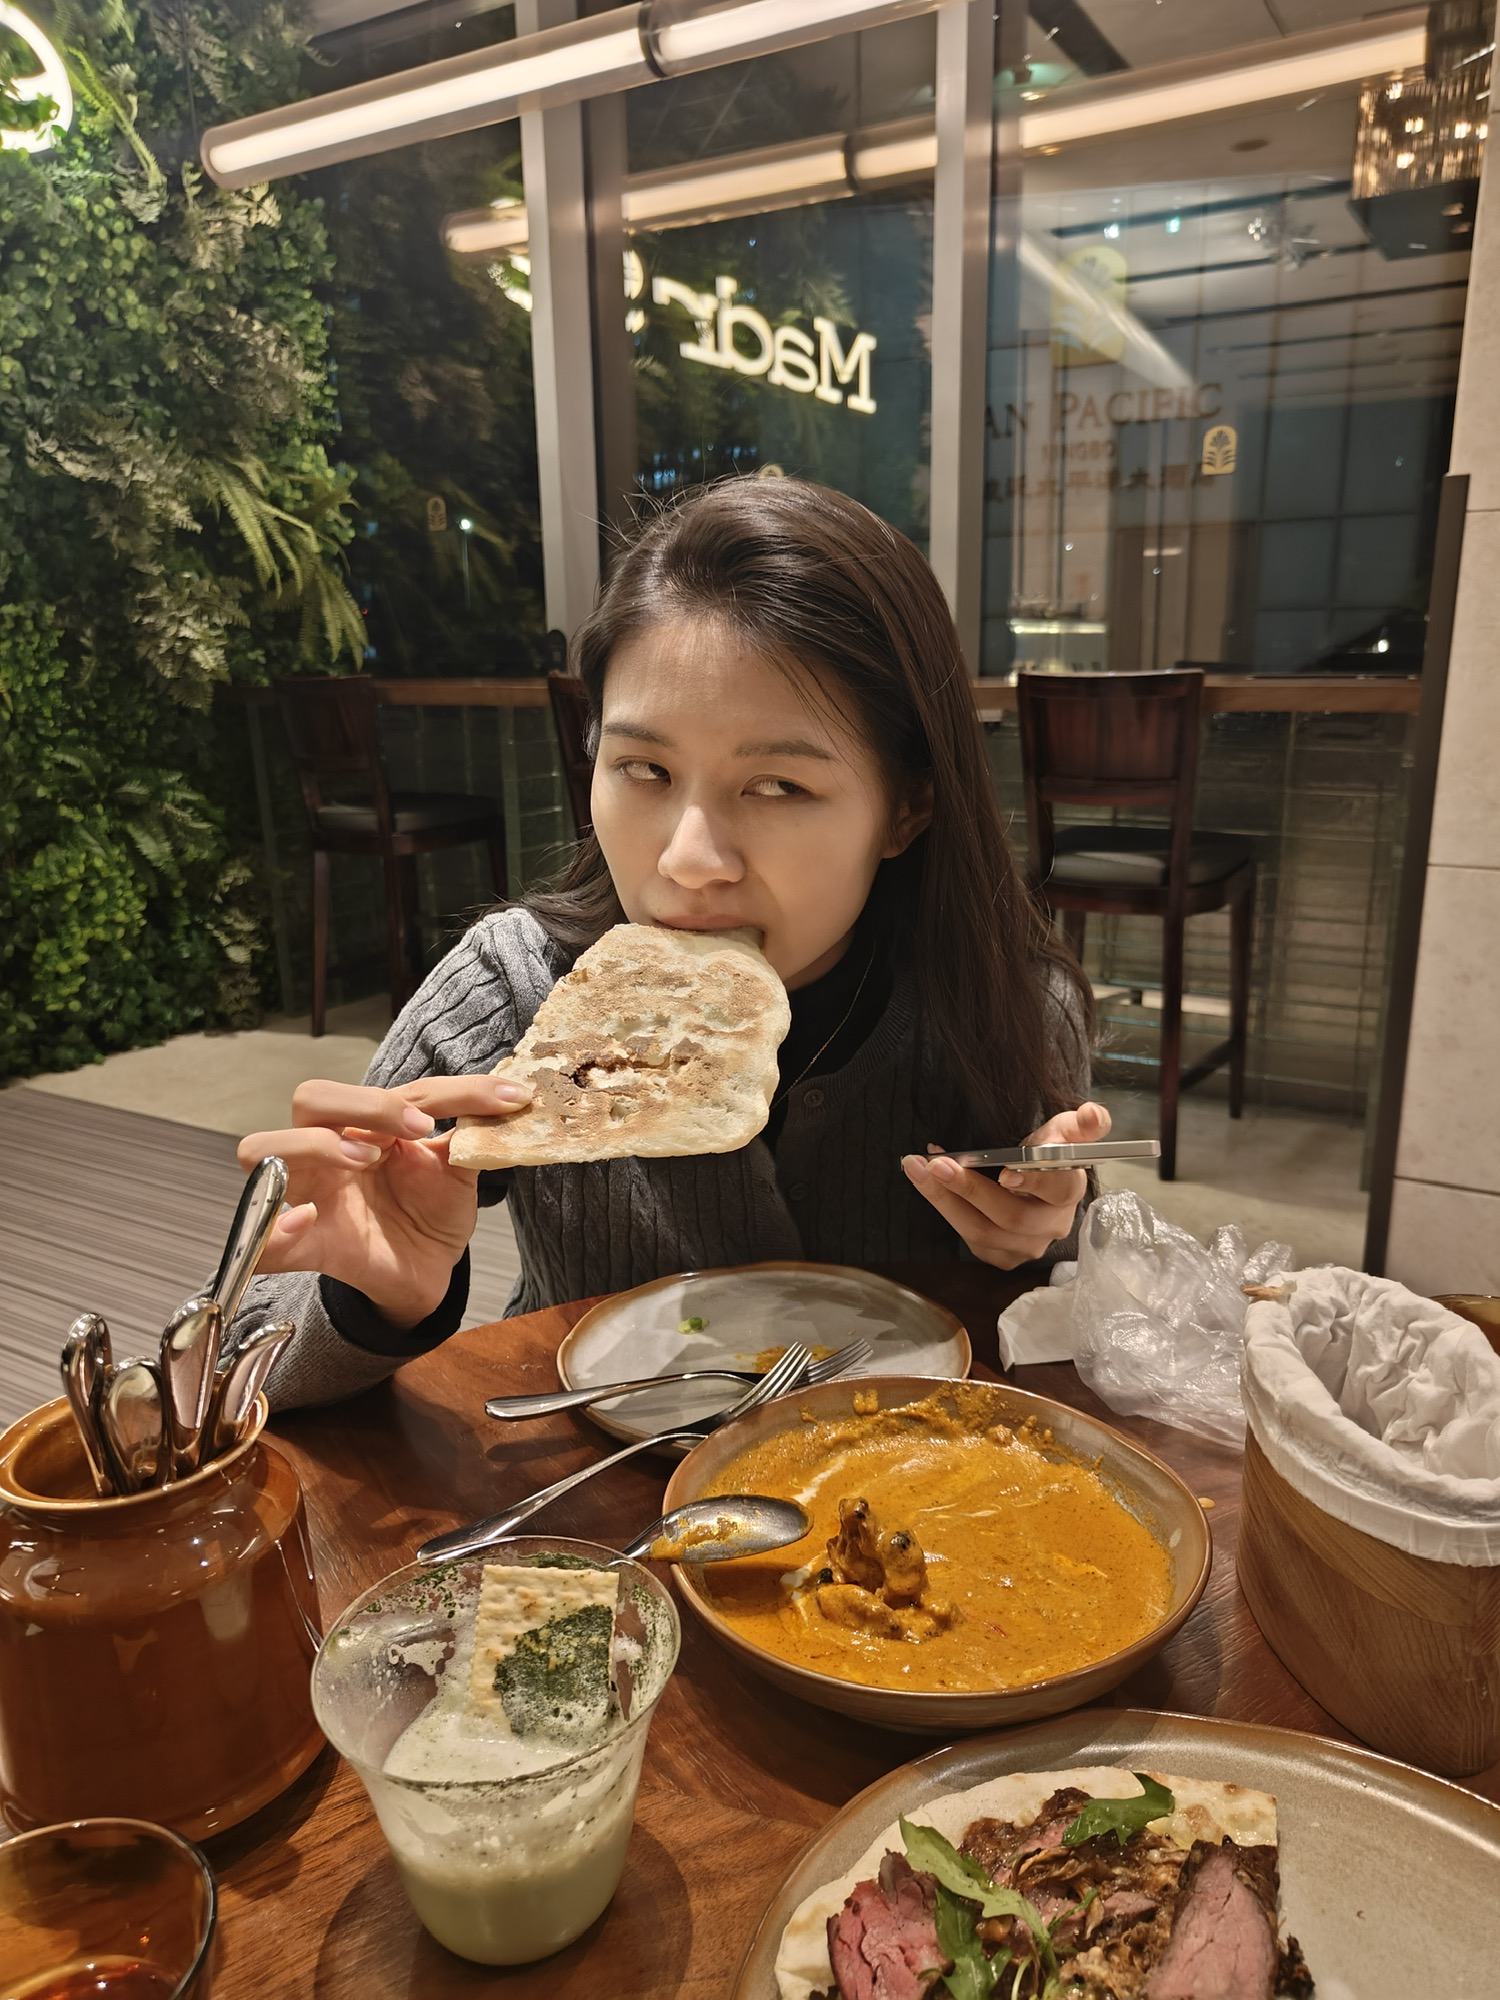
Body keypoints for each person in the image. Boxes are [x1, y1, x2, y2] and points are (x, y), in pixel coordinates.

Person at [237, 478, 1110, 1408]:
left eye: (777, 786)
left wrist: (1045, 1234)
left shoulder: (1007, 1004)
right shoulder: (513, 988)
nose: (688, 860)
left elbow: (1077, 1317)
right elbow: (226, 1360)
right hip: (591, 1475)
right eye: (643, 769)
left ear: (905, 809)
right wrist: (375, 1299)